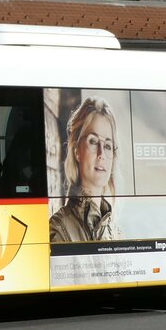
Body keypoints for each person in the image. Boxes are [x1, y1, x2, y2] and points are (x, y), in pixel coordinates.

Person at [48, 97, 119, 242]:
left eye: (107, 146)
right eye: (93, 141)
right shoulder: (59, 229)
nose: (101, 154)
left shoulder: (116, 233)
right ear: (76, 151)